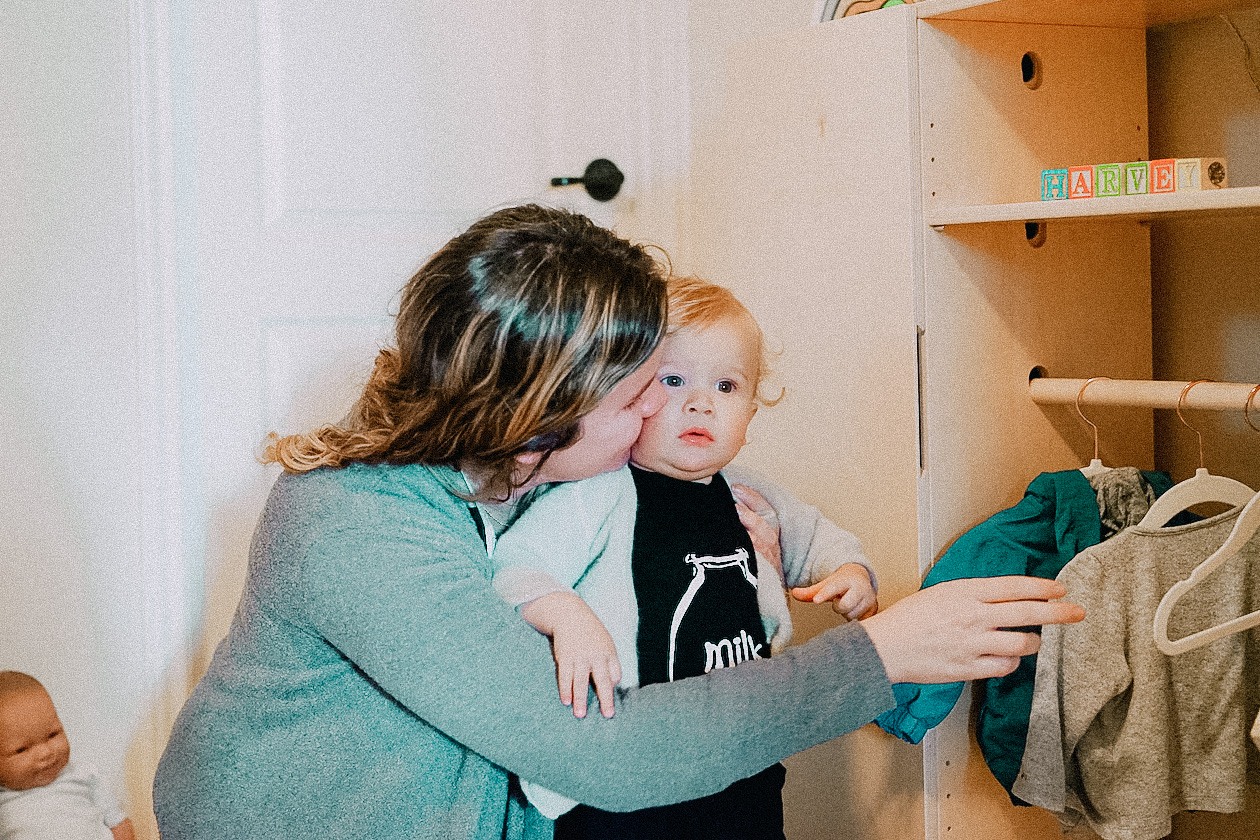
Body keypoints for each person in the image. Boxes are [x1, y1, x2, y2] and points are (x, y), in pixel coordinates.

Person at [152, 204, 1084, 840]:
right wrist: (882, 655)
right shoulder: (352, 519)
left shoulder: (535, 479)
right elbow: (613, 752)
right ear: (545, 411)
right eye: (641, 395)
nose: (660, 420)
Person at [489, 275, 879, 838]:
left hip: (743, 759)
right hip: (634, 779)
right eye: (673, 381)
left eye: (727, 386)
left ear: (752, 408)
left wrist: (849, 571)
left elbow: (816, 538)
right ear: (633, 395)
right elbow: (516, 566)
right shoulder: (599, 491)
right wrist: (563, 612)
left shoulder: (746, 492)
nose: (700, 402)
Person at [0, 671, 136, 840]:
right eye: (22, 749)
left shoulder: (85, 776)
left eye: (52, 735)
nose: (46, 753)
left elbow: (119, 824)